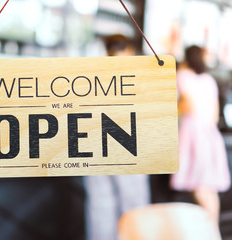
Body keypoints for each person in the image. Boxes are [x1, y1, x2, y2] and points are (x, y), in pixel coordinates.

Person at [85, 34, 150, 240]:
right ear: (127, 51)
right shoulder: (134, 76)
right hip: (127, 142)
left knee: (100, 208)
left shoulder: (88, 75)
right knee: (133, 207)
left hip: (93, 142)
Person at [170, 45, 231, 222]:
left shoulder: (182, 76)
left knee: (201, 188)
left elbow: (188, 106)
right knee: (207, 188)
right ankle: (211, 231)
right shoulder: (208, 80)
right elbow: (214, 114)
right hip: (209, 134)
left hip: (193, 135)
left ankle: (211, 232)